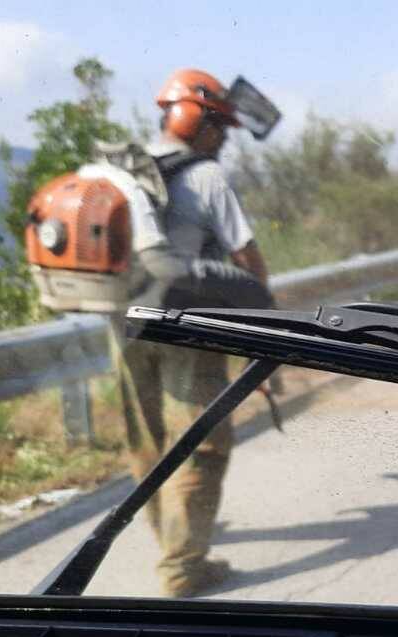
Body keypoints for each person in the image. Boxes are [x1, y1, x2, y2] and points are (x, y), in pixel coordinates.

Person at [118, 68, 273, 598]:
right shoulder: (207, 176)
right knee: (201, 445)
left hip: (123, 323)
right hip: (186, 325)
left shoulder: (122, 169)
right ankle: (183, 568)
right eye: (221, 128)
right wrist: (266, 328)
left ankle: (172, 539)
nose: (225, 139)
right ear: (195, 119)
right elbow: (246, 257)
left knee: (147, 440)